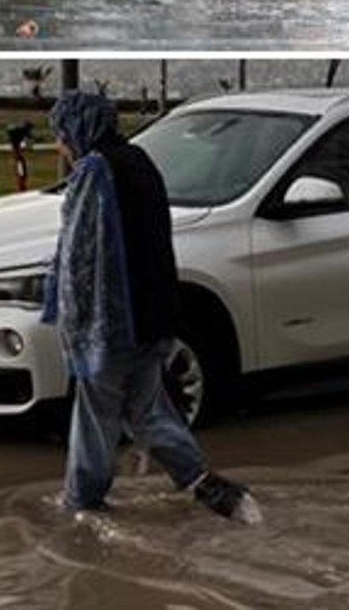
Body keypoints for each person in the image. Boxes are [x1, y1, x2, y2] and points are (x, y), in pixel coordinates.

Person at [41, 92, 256, 521]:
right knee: (145, 410)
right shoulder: (140, 161)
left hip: (113, 321)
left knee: (96, 414)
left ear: (78, 130)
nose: (59, 146)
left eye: (61, 135)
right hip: (154, 315)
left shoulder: (94, 171)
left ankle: (82, 504)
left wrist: (74, 316)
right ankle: (208, 485)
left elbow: (82, 254)